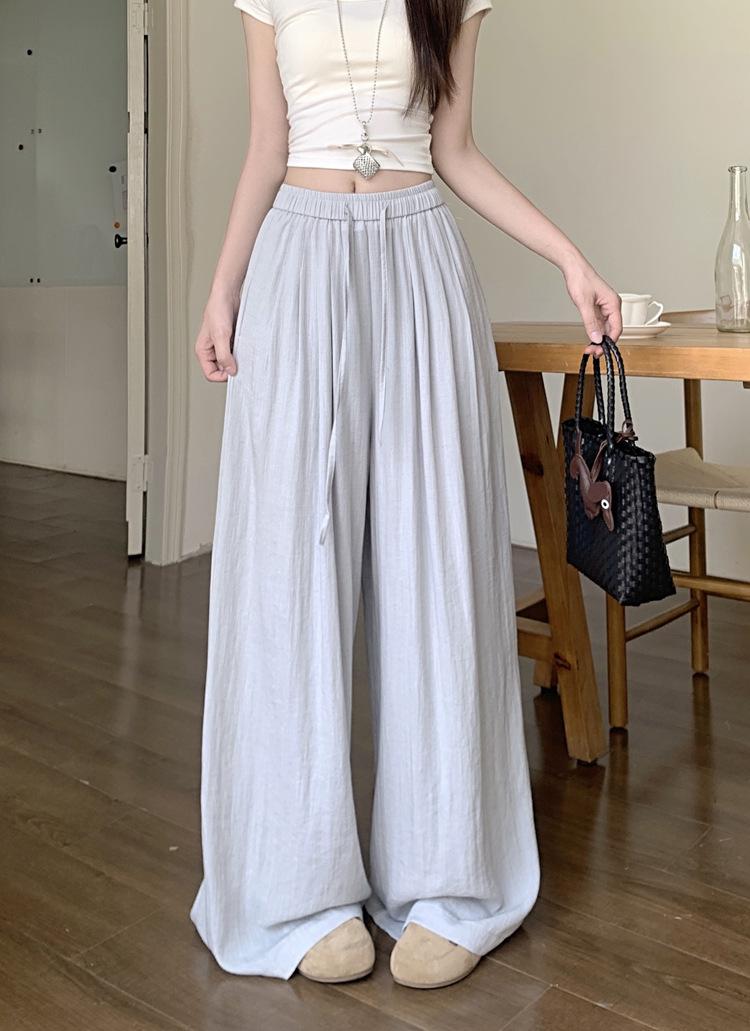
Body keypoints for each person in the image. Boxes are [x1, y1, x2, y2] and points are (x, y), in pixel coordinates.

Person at [189, 0, 622, 991]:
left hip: (420, 259)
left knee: (438, 567)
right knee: (289, 575)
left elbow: (454, 150)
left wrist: (570, 258)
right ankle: (296, 888)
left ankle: (447, 878)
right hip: (297, 263)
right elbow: (268, 146)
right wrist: (223, 289)